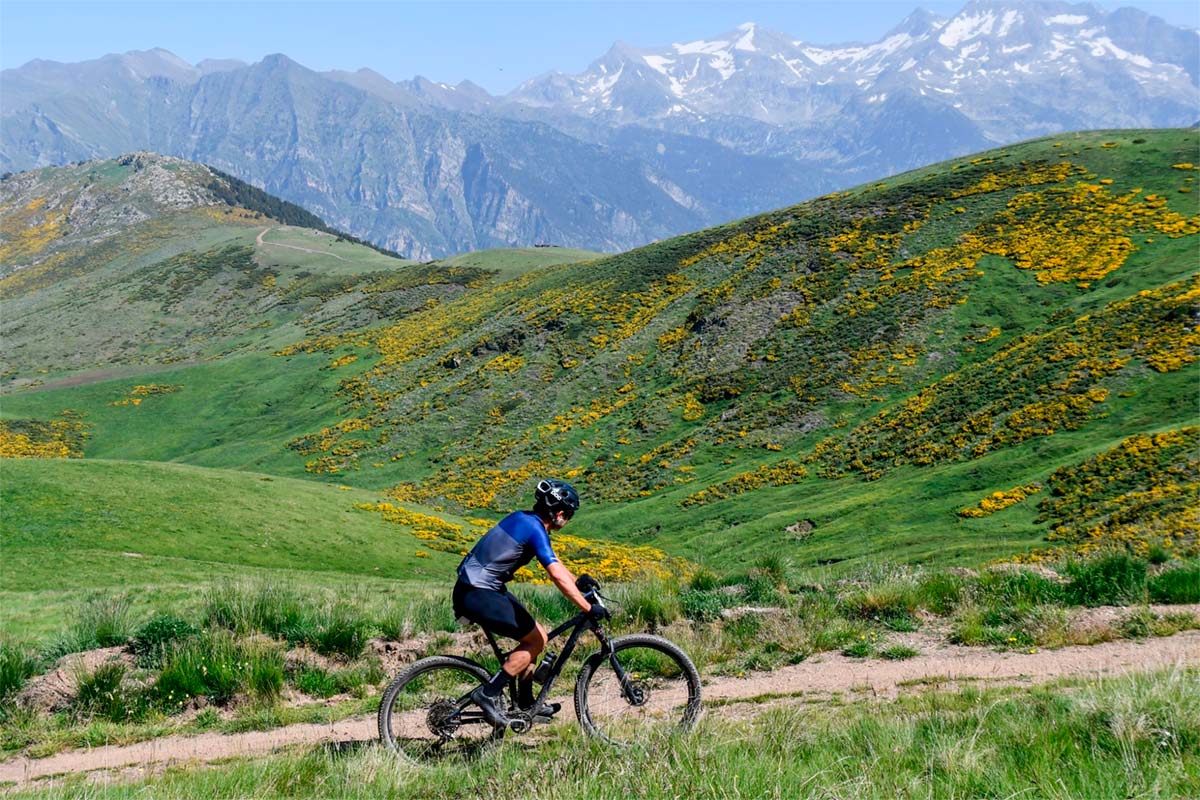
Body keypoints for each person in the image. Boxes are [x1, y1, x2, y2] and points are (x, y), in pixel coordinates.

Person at [452, 478, 608, 727]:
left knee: (538, 636)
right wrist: (587, 607)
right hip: (479, 592)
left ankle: (525, 704)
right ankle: (487, 694)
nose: (567, 521)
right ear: (559, 513)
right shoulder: (535, 529)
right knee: (535, 640)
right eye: (568, 515)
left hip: (474, 589)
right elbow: (555, 574)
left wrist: (578, 582)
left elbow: (555, 562)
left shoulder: (524, 519)